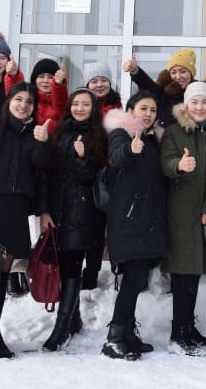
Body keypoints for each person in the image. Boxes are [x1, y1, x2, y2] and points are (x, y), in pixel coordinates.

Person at [0, 82, 51, 359]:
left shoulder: (34, 133)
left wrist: (43, 142)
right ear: (9, 101)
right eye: (19, 99)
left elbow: (41, 172)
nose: (23, 105)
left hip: (16, 210)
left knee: (2, 273)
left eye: (29, 102)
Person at [160, 80, 206, 356]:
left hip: (204, 212)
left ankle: (188, 327)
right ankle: (178, 333)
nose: (199, 107)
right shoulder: (173, 132)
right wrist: (178, 165)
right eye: (194, 102)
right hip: (179, 211)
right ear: (186, 105)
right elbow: (165, 163)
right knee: (181, 273)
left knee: (195, 272)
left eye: (205, 101)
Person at [101, 92, 169, 360]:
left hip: (147, 220)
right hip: (128, 220)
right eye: (143, 108)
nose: (148, 113)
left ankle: (127, 334)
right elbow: (117, 156)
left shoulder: (153, 140)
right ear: (130, 110)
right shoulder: (122, 133)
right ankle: (115, 338)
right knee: (133, 281)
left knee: (136, 279)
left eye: (152, 109)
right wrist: (131, 149)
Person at [41, 88, 108, 352]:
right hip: (58, 210)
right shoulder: (61, 131)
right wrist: (45, 210)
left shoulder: (98, 135)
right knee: (62, 265)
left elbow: (93, 177)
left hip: (82, 211)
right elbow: (49, 172)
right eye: (76, 104)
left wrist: (82, 158)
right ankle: (74, 318)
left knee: (71, 267)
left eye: (85, 104)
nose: (80, 108)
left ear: (93, 109)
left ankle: (61, 329)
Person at [79, 62, 117, 289]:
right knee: (92, 227)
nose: (99, 84)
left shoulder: (117, 108)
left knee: (113, 227)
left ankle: (117, 270)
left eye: (103, 80)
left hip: (109, 176)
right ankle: (90, 273)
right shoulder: (82, 108)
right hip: (86, 174)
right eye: (94, 81)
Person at [125, 48, 196, 127]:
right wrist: (135, 70)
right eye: (173, 72)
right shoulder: (163, 92)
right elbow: (147, 85)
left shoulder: (198, 94)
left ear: (191, 73)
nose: (178, 77)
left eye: (183, 72)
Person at [6, 57, 67, 127]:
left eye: (50, 77)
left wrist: (58, 84)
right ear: (35, 79)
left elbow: (60, 97)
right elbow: (16, 91)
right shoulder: (30, 98)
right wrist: (14, 76)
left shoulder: (60, 103)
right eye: (41, 76)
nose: (45, 81)